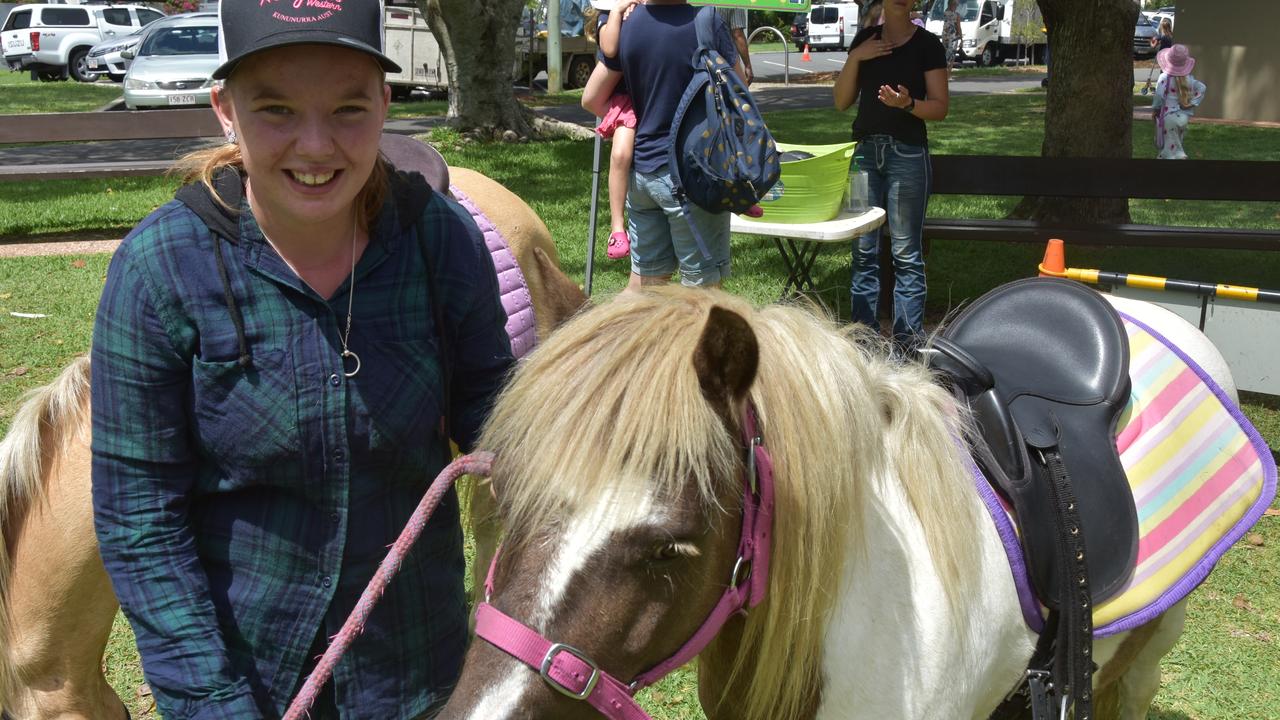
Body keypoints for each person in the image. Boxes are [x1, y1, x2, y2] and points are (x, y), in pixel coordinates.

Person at [89, 1, 515, 717]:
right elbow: (140, 524)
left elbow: (495, 420)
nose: (315, 147)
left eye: (349, 109)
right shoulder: (159, 271)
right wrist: (215, 704)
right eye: (277, 109)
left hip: (415, 677)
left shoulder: (438, 239)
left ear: (385, 101)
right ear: (225, 107)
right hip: (246, 680)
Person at [582, 0, 741, 291]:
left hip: (642, 177)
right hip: (693, 176)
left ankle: (610, 336)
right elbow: (738, 88)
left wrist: (624, 114)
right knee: (703, 294)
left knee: (643, 289)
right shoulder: (707, 21)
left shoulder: (627, 24)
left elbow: (591, 99)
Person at [833, 0, 949, 349]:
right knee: (863, 252)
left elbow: (940, 107)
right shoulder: (865, 41)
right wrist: (857, 57)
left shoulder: (928, 45)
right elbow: (840, 102)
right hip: (864, 154)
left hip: (907, 155)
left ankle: (906, 348)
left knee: (906, 255)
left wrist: (908, 104)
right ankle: (863, 346)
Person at [588, 0, 641, 260]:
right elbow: (610, 48)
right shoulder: (606, 17)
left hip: (651, 91)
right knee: (620, 155)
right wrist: (618, 12)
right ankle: (618, 227)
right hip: (626, 100)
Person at [1151, 43, 1205, 160]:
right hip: (1183, 117)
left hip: (1168, 117)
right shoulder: (1188, 78)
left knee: (1171, 151)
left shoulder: (1164, 78)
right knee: (1175, 144)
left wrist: (1155, 109)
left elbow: (1159, 96)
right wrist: (1192, 103)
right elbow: (1202, 88)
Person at [941, 0, 963, 77]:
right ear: (952, 5)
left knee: (945, 55)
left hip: (945, 36)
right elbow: (958, 27)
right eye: (955, 4)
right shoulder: (957, 15)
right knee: (952, 56)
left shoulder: (945, 12)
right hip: (953, 37)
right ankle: (948, 74)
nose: (956, 6)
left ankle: (945, 73)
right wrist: (961, 38)